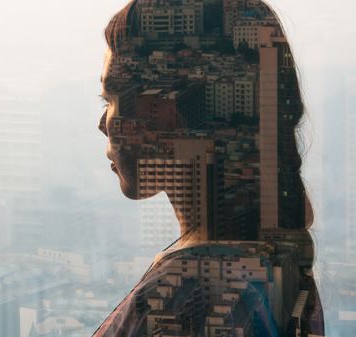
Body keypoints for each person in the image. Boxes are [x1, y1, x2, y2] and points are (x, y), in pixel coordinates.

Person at [94, 0, 325, 336]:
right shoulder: (275, 264)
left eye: (112, 99)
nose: (104, 123)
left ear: (168, 115)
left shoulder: (187, 297)